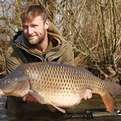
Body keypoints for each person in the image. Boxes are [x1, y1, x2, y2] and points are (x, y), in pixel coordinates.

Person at [4, 4, 92, 118]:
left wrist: (81, 91)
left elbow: (71, 79)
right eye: (25, 27)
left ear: (46, 24)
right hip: (22, 112)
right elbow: (13, 87)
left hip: (56, 109)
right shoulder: (12, 52)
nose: (29, 32)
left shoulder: (64, 48)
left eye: (34, 26)